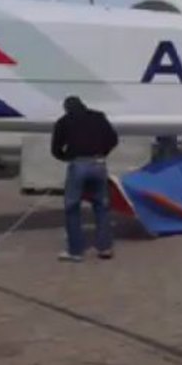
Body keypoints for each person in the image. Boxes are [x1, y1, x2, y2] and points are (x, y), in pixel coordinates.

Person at [51, 96, 119, 262]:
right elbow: (113, 139)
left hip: (78, 164)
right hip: (99, 163)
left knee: (72, 207)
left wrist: (67, 157)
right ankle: (105, 248)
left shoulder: (63, 121)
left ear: (66, 108)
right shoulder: (98, 117)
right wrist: (103, 153)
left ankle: (75, 251)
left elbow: (55, 148)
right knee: (102, 206)